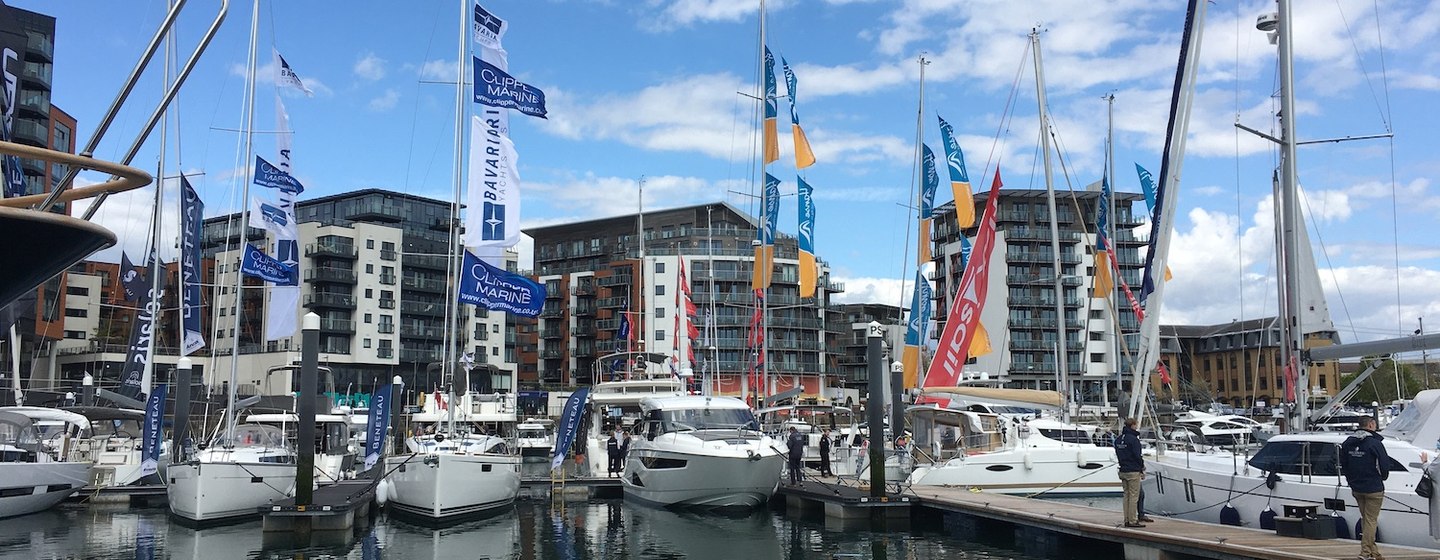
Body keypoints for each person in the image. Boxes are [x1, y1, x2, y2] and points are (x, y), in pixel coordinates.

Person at [1341, 416, 1390, 560]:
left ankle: (1375, 553)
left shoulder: (1347, 443)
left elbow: (1344, 464)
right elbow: (1384, 465)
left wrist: (1351, 481)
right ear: (1370, 425)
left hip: (1357, 487)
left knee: (1366, 519)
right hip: (1373, 487)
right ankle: (1366, 552)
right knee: (1370, 520)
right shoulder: (1375, 443)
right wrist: (1382, 478)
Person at [1115, 417, 1146, 528]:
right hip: (1133, 471)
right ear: (1132, 425)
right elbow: (1137, 456)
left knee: (1126, 495)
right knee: (1134, 496)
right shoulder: (1133, 440)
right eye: (1136, 424)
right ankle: (1133, 520)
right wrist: (1142, 468)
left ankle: (1126, 519)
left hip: (1123, 470)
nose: (1137, 426)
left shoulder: (1118, 440)